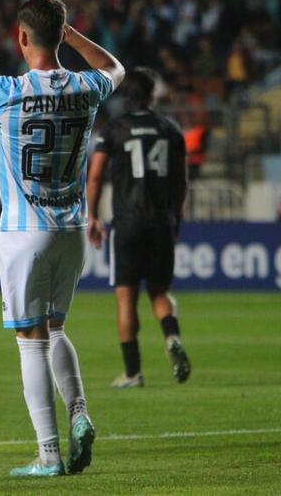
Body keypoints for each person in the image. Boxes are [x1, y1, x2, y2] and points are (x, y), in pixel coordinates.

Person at [0, 0, 125, 476]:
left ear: (22, 37)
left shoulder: (9, 90)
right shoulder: (86, 86)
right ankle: (79, 412)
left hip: (23, 232)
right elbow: (114, 66)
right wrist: (68, 33)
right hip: (71, 228)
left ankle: (48, 454)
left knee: (30, 341)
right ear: (58, 35)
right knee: (55, 328)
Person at [86, 67, 191, 389]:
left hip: (128, 223)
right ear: (152, 94)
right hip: (161, 221)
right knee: (160, 292)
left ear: (125, 96)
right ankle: (171, 335)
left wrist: (92, 215)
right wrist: (175, 218)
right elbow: (181, 182)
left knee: (125, 298)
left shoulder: (113, 129)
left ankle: (133, 373)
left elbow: (95, 175)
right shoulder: (171, 130)